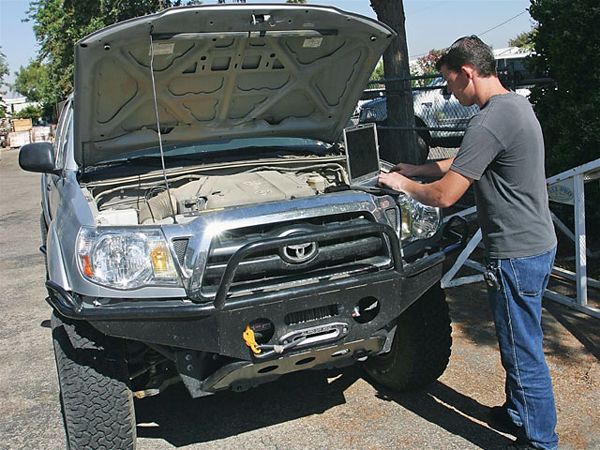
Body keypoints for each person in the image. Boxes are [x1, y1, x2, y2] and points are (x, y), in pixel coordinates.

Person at [378, 36, 558, 450]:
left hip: (516, 252)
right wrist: (420, 167)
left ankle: (539, 440)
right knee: (519, 339)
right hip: (536, 242)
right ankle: (518, 412)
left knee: (521, 348)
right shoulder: (512, 107)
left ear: (467, 73)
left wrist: (402, 183)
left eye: (450, 83)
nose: (450, 92)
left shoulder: (489, 120)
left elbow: (445, 196)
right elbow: (468, 160)